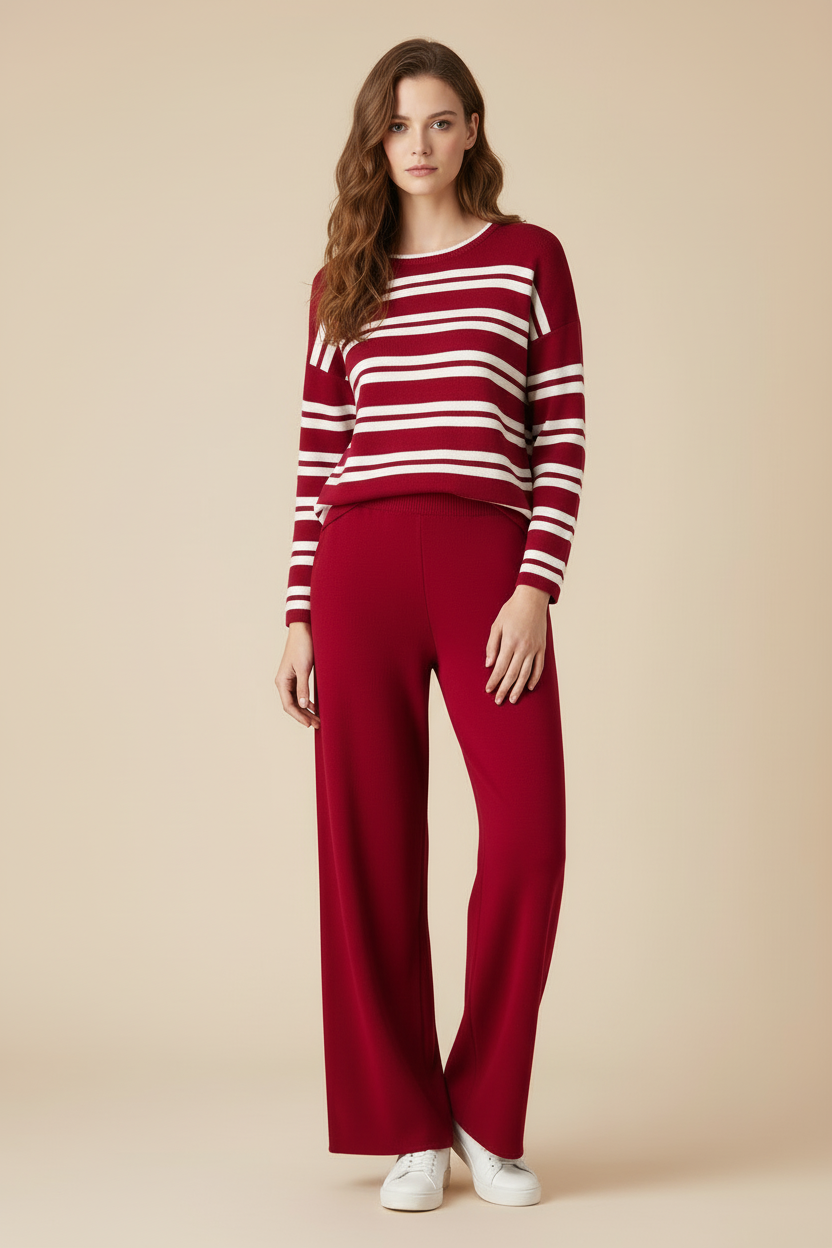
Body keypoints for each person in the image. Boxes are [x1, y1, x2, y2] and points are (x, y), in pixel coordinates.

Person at [274, 37, 586, 1212]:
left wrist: (535, 586)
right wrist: (297, 613)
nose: (419, 143)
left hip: (483, 565)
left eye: (440, 120)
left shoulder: (526, 258)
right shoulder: (340, 283)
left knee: (530, 836)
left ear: (471, 131)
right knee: (366, 847)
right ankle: (408, 1124)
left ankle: (483, 1112)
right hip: (355, 568)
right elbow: (317, 457)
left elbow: (561, 430)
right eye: (399, 124)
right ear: (376, 138)